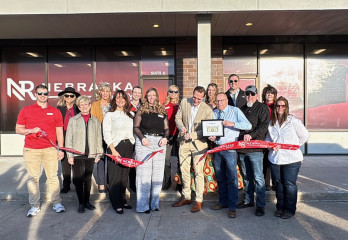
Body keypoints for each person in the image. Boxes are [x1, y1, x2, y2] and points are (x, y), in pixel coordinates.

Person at [15, 84, 65, 217]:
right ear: (35, 94)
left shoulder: (55, 111)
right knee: (33, 178)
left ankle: (56, 203)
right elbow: (18, 129)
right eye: (40, 93)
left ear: (48, 95)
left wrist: (60, 149)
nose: (43, 96)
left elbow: (59, 131)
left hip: (50, 149)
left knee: (53, 177)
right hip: (31, 150)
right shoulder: (26, 110)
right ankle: (34, 205)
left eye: (45, 93)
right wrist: (31, 130)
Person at [209, 92, 251, 218]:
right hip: (217, 148)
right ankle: (222, 202)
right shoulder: (214, 113)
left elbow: (248, 125)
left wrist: (233, 124)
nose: (219, 103)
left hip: (230, 149)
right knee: (220, 178)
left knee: (232, 178)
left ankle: (232, 207)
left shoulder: (235, 111)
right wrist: (212, 136)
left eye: (221, 101)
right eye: (217, 101)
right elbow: (212, 129)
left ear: (227, 100)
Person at [266, 96, 309, 219]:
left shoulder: (294, 121)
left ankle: (289, 210)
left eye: (282, 105)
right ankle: (280, 207)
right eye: (278, 106)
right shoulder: (271, 123)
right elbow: (268, 138)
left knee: (289, 184)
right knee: (279, 184)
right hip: (275, 158)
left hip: (292, 159)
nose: (280, 108)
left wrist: (293, 147)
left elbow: (304, 136)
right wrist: (270, 146)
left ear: (287, 107)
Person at [172, 86, 213, 213]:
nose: (195, 100)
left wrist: (193, 135)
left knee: (198, 172)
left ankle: (199, 200)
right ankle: (187, 197)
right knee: (184, 171)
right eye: (194, 97)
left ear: (203, 98)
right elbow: (178, 118)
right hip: (184, 142)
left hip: (199, 144)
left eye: (199, 99)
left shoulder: (207, 109)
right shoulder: (185, 102)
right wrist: (182, 127)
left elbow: (207, 129)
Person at [134, 88, 169, 213]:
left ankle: (154, 204)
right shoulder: (141, 110)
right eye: (149, 95)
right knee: (144, 175)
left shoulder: (161, 110)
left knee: (157, 175)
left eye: (154, 95)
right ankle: (143, 206)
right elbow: (136, 127)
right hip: (145, 142)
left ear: (157, 96)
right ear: (146, 97)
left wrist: (165, 138)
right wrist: (142, 138)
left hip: (159, 143)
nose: (152, 97)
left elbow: (167, 128)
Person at [65, 95, 103, 213]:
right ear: (79, 107)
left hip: (90, 155)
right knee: (79, 179)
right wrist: (69, 155)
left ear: (90, 106)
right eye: (81, 105)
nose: (84, 107)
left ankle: (87, 201)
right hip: (77, 155)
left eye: (86, 104)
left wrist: (98, 153)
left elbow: (98, 138)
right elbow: (68, 139)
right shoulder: (73, 120)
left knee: (87, 179)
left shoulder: (95, 120)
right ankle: (81, 203)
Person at [237, 85, 269, 217]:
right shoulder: (242, 109)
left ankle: (260, 205)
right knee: (246, 177)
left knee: (258, 178)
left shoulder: (262, 108)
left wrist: (252, 135)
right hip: (243, 149)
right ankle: (248, 200)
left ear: (256, 95)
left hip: (255, 149)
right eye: (247, 94)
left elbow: (263, 126)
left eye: (252, 94)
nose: (249, 96)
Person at [103, 90, 135, 214]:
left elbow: (133, 133)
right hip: (115, 147)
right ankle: (116, 203)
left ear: (126, 100)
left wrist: (134, 149)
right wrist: (112, 149)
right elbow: (106, 133)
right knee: (115, 176)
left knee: (124, 176)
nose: (120, 100)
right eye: (118, 98)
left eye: (123, 98)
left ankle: (122, 200)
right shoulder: (109, 115)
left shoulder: (131, 114)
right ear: (114, 100)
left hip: (128, 147)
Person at [57, 87, 80, 193]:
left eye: (71, 95)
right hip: (64, 134)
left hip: (76, 136)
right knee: (65, 161)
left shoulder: (78, 108)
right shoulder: (59, 108)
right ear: (64, 97)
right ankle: (66, 184)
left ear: (75, 97)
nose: (69, 97)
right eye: (67, 95)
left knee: (76, 160)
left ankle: (77, 183)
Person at [91, 82, 112, 193]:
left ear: (110, 93)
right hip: (99, 135)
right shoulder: (95, 104)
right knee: (100, 160)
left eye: (107, 91)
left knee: (111, 160)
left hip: (111, 136)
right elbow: (93, 121)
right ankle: (101, 183)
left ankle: (109, 182)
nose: (105, 93)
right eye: (103, 91)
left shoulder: (113, 104)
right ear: (100, 92)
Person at [163, 85, 180, 190]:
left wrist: (175, 136)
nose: (173, 94)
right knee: (166, 160)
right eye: (171, 91)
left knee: (179, 160)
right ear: (168, 92)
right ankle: (168, 180)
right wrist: (167, 136)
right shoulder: (164, 105)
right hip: (168, 136)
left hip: (178, 136)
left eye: (175, 92)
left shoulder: (181, 105)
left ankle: (179, 182)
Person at [261, 84, 278, 191]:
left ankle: (276, 184)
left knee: (275, 161)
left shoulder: (277, 106)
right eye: (268, 92)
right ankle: (266, 184)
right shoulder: (261, 106)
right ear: (264, 95)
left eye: (272, 93)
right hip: (263, 136)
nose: (270, 94)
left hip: (275, 136)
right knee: (265, 161)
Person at [129, 86, 143, 192]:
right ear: (132, 93)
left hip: (140, 136)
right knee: (130, 159)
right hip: (129, 135)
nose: (137, 94)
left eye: (139, 93)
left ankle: (139, 183)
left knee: (138, 159)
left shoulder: (143, 106)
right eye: (135, 92)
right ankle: (132, 183)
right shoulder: (126, 105)